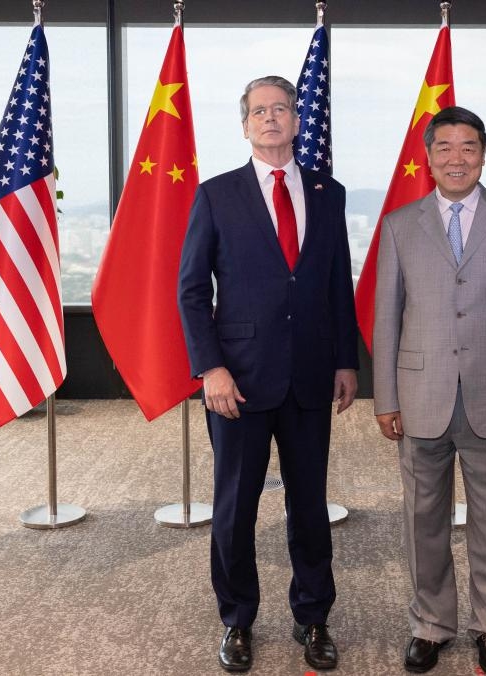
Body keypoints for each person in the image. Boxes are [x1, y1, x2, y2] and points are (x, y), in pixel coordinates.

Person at [178, 75, 358, 673]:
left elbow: (337, 284)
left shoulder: (328, 193)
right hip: (238, 380)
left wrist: (345, 361)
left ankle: (313, 617)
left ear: (297, 119)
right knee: (235, 506)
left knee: (309, 504)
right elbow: (190, 290)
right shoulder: (216, 194)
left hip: (309, 376)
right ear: (245, 124)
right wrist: (211, 368)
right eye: (260, 110)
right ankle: (237, 620)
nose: (271, 118)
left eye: (281, 108)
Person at [372, 106, 486, 676]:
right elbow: (387, 318)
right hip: (420, 395)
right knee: (423, 519)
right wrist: (386, 397)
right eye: (444, 147)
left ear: (484, 154)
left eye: (467, 147)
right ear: (428, 155)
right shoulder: (400, 224)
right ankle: (431, 624)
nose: (456, 158)